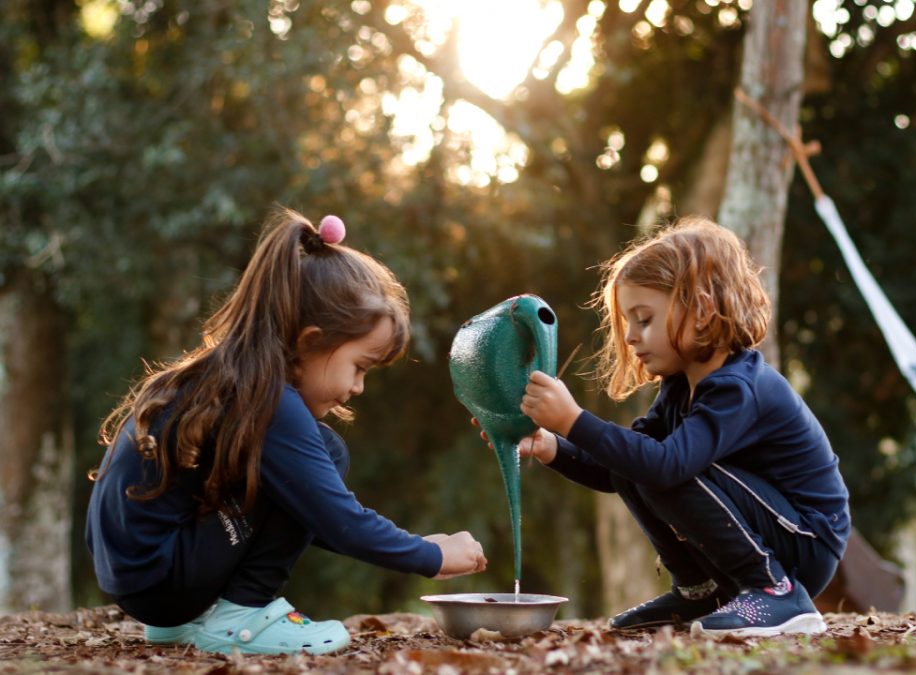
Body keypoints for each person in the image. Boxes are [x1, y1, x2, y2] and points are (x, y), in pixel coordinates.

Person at [86, 207, 487, 656]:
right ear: (310, 340)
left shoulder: (225, 379)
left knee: (316, 455)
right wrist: (431, 557)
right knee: (328, 451)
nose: (358, 388)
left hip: (143, 579)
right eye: (360, 367)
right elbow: (337, 518)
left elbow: (309, 513)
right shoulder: (268, 402)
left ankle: (197, 621)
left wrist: (410, 544)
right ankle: (240, 615)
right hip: (164, 583)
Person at [515, 217, 850, 638]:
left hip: (804, 541)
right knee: (637, 455)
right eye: (628, 323)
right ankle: (699, 590)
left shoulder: (737, 387)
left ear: (703, 310)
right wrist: (552, 445)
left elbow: (665, 467)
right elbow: (620, 469)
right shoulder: (679, 387)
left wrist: (574, 419)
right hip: (770, 531)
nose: (632, 337)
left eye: (644, 319)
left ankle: (776, 592)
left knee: (661, 461)